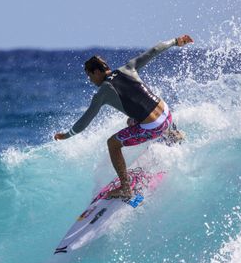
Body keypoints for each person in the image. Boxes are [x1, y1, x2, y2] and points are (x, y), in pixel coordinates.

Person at [54, 35, 194, 198]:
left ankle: (125, 188)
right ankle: (174, 135)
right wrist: (176, 41)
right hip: (167, 115)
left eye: (90, 76)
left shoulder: (103, 92)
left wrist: (67, 135)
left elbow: (85, 121)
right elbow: (155, 50)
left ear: (97, 71)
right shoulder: (128, 68)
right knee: (131, 121)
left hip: (154, 126)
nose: (90, 81)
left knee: (113, 143)